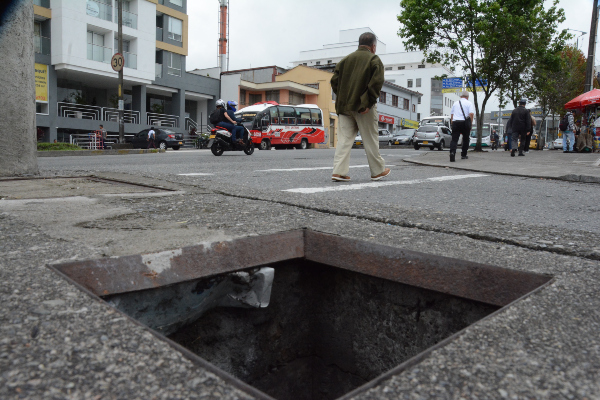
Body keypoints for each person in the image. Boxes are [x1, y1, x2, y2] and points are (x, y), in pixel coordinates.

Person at [330, 31, 390, 182]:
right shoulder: (374, 59)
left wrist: (343, 97)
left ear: (359, 44)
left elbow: (334, 82)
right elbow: (376, 83)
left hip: (344, 106)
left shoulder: (344, 61)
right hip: (364, 107)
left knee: (344, 139)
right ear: (373, 47)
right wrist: (367, 102)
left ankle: (338, 171)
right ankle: (377, 171)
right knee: (370, 138)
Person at [449, 91, 475, 162]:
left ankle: (452, 153)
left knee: (454, 139)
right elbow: (471, 114)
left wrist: (452, 123)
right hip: (465, 123)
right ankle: (463, 155)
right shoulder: (469, 103)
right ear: (467, 97)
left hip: (456, 122)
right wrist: (470, 123)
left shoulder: (455, 103)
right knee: (466, 139)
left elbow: (452, 115)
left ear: (461, 96)